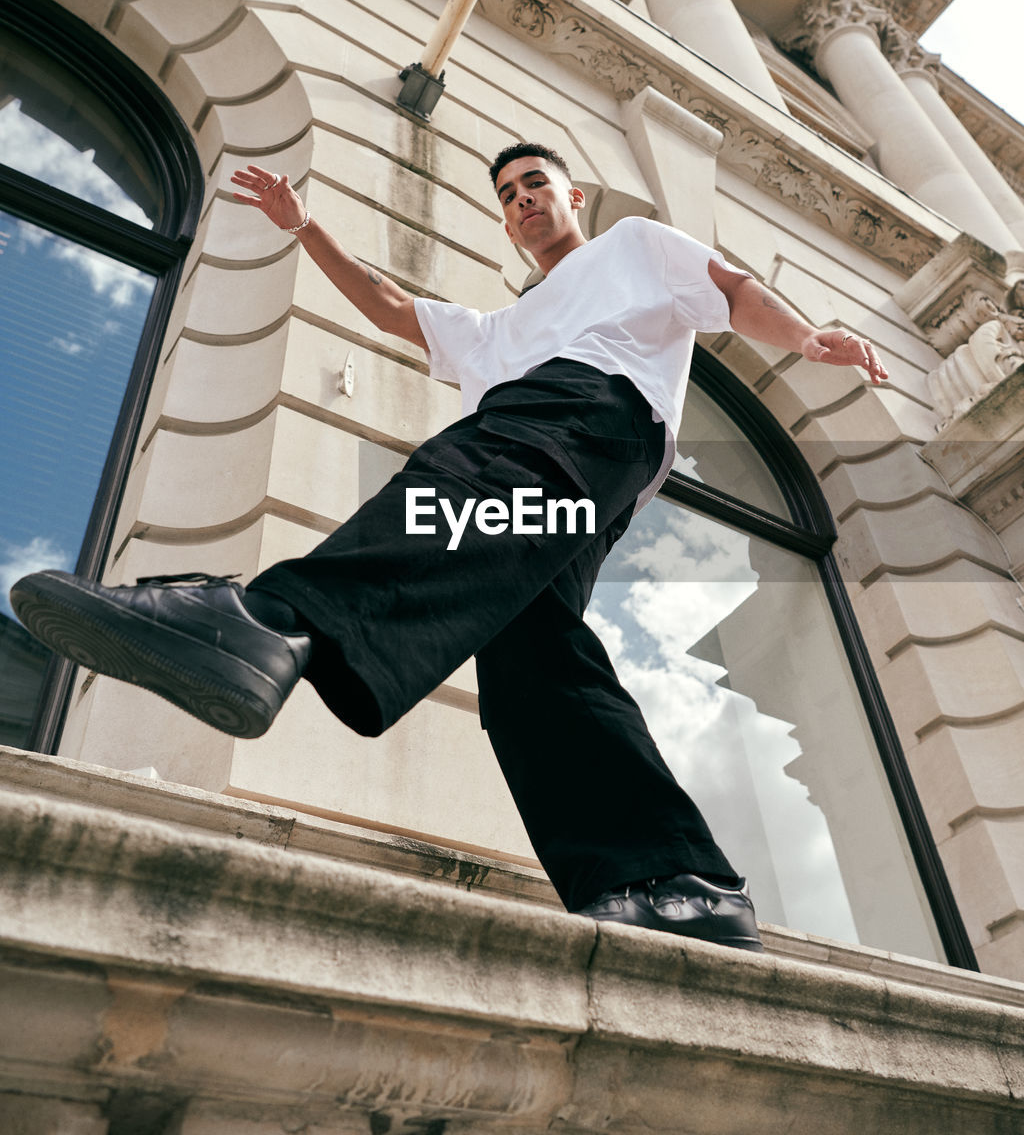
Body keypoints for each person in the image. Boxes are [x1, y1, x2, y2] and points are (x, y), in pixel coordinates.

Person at [12, 143, 887, 953]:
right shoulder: (501, 329)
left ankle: (264, 621)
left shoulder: (633, 247)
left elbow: (731, 291)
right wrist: (305, 226)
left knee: (459, 478)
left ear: (571, 196)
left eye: (535, 185)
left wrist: (805, 337)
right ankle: (668, 879)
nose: (522, 201)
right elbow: (390, 307)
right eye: (508, 196)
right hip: (584, 469)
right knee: (531, 656)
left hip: (593, 415)